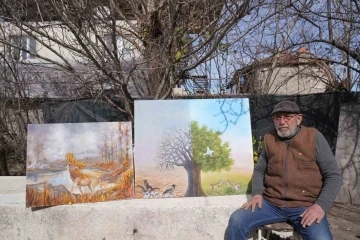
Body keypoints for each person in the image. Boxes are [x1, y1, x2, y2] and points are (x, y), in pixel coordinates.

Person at [227, 100, 342, 240]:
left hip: (305, 206)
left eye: (287, 117)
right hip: (271, 204)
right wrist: (257, 194)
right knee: (236, 220)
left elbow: (334, 176)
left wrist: (320, 206)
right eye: (278, 117)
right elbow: (259, 170)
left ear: (298, 119)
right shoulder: (270, 139)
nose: (282, 122)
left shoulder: (314, 137)